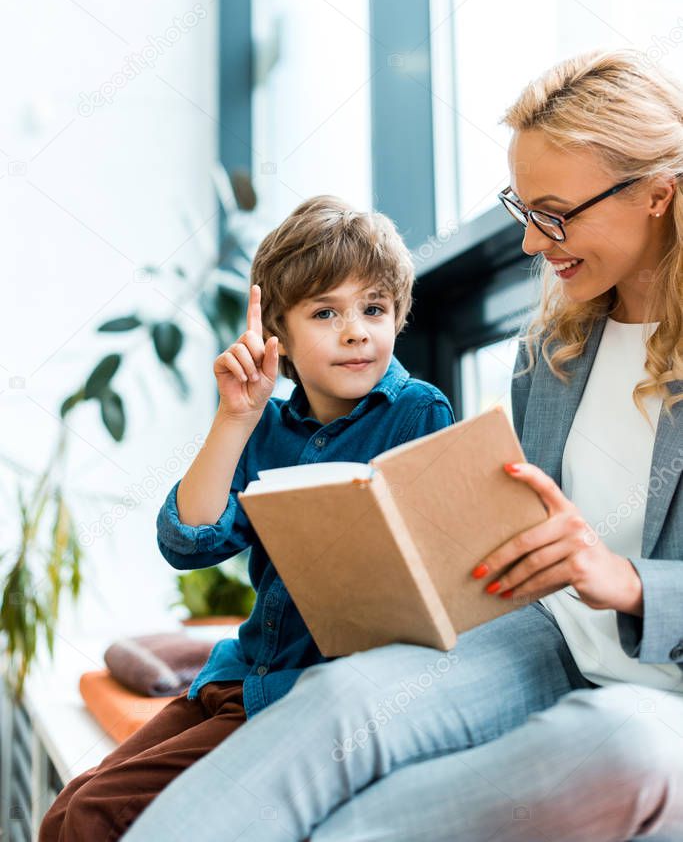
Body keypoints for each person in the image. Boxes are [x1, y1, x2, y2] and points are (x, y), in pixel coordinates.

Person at [122, 50, 683, 842]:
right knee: (342, 702)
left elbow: (614, 569)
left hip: (661, 697)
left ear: (658, 193)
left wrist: (628, 583)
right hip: (549, 636)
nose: (529, 242)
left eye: (553, 213)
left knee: (612, 748)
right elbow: (189, 538)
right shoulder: (552, 347)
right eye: (521, 208)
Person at [38, 195, 454, 841]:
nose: (356, 331)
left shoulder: (418, 411)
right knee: (69, 805)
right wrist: (235, 417)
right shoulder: (266, 426)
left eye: (374, 308)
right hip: (237, 675)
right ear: (278, 334)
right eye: (326, 312)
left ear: (397, 314)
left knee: (93, 819)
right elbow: (186, 540)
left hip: (301, 700)